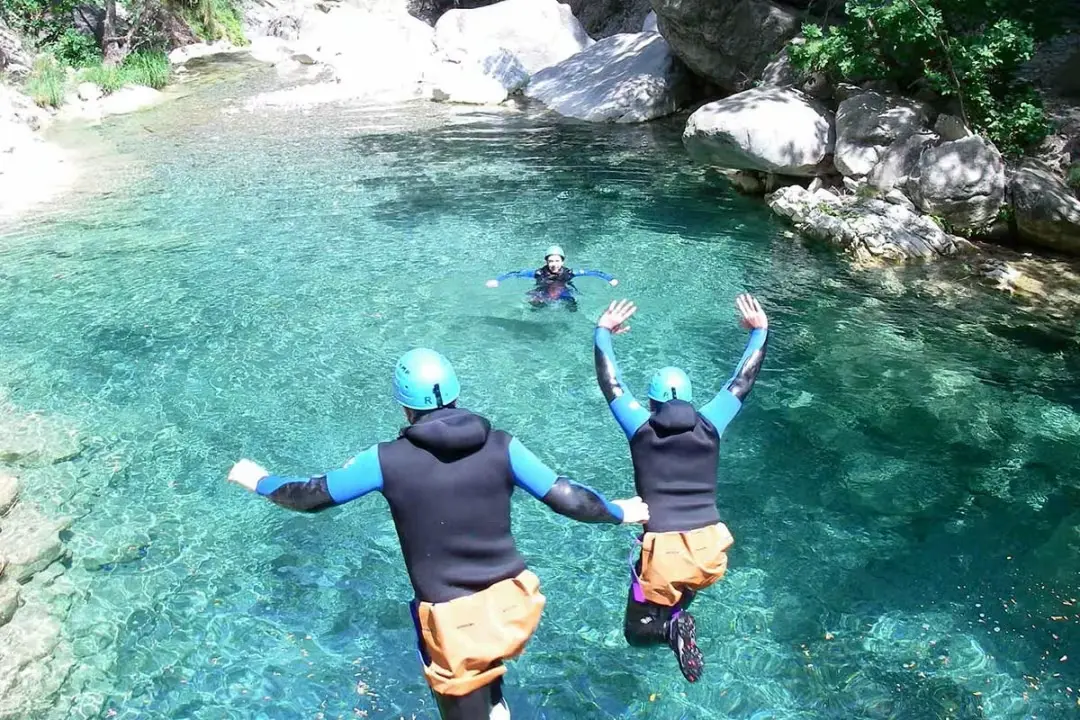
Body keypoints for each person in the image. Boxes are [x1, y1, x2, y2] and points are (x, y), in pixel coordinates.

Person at [226, 348, 649, 720]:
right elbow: (567, 497)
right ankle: (497, 703)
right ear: (456, 394)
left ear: (405, 409)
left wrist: (259, 479)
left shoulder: (386, 460)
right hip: (514, 607)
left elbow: (311, 496)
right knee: (488, 673)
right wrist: (617, 511)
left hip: (454, 622)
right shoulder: (502, 444)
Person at [591, 294, 768, 684]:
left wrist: (602, 332)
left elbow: (611, 383)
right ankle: (675, 622)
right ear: (688, 398)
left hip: (663, 554)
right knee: (677, 599)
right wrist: (760, 332)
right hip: (709, 550)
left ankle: (670, 630)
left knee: (638, 632)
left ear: (652, 403)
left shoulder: (641, 427)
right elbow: (742, 381)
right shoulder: (711, 424)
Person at [485, 245, 618, 312]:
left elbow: (593, 272)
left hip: (563, 291)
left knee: (572, 307)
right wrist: (498, 280)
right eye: (551, 261)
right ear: (547, 262)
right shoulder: (538, 273)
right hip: (542, 291)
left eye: (557, 260)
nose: (554, 264)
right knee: (534, 306)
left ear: (562, 261)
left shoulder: (569, 273)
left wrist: (610, 278)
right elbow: (515, 273)